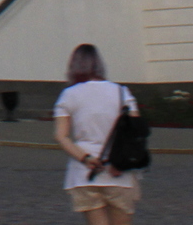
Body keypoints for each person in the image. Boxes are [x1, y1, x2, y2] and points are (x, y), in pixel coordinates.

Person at [52, 44, 141, 223]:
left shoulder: (69, 94)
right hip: (118, 169)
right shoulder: (121, 92)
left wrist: (85, 158)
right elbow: (135, 131)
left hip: (85, 172)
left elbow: (61, 136)